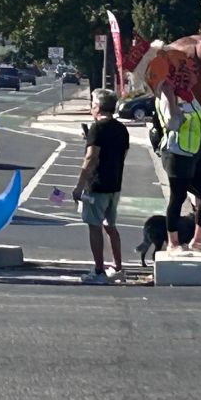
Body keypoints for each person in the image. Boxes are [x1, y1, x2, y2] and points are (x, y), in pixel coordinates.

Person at [155, 59, 201, 254]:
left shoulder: (191, 96)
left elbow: (198, 123)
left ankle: (199, 239)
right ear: (181, 74)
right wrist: (171, 100)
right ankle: (173, 242)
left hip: (197, 152)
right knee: (178, 196)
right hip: (177, 152)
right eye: (193, 71)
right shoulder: (167, 94)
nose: (197, 76)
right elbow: (172, 124)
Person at [73, 89, 130, 284]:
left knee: (94, 226)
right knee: (111, 226)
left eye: (92, 104)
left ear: (98, 107)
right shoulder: (121, 129)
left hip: (97, 186)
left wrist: (79, 187)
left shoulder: (97, 128)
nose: (91, 108)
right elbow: (122, 154)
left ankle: (98, 271)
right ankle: (118, 267)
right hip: (115, 184)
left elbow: (91, 158)